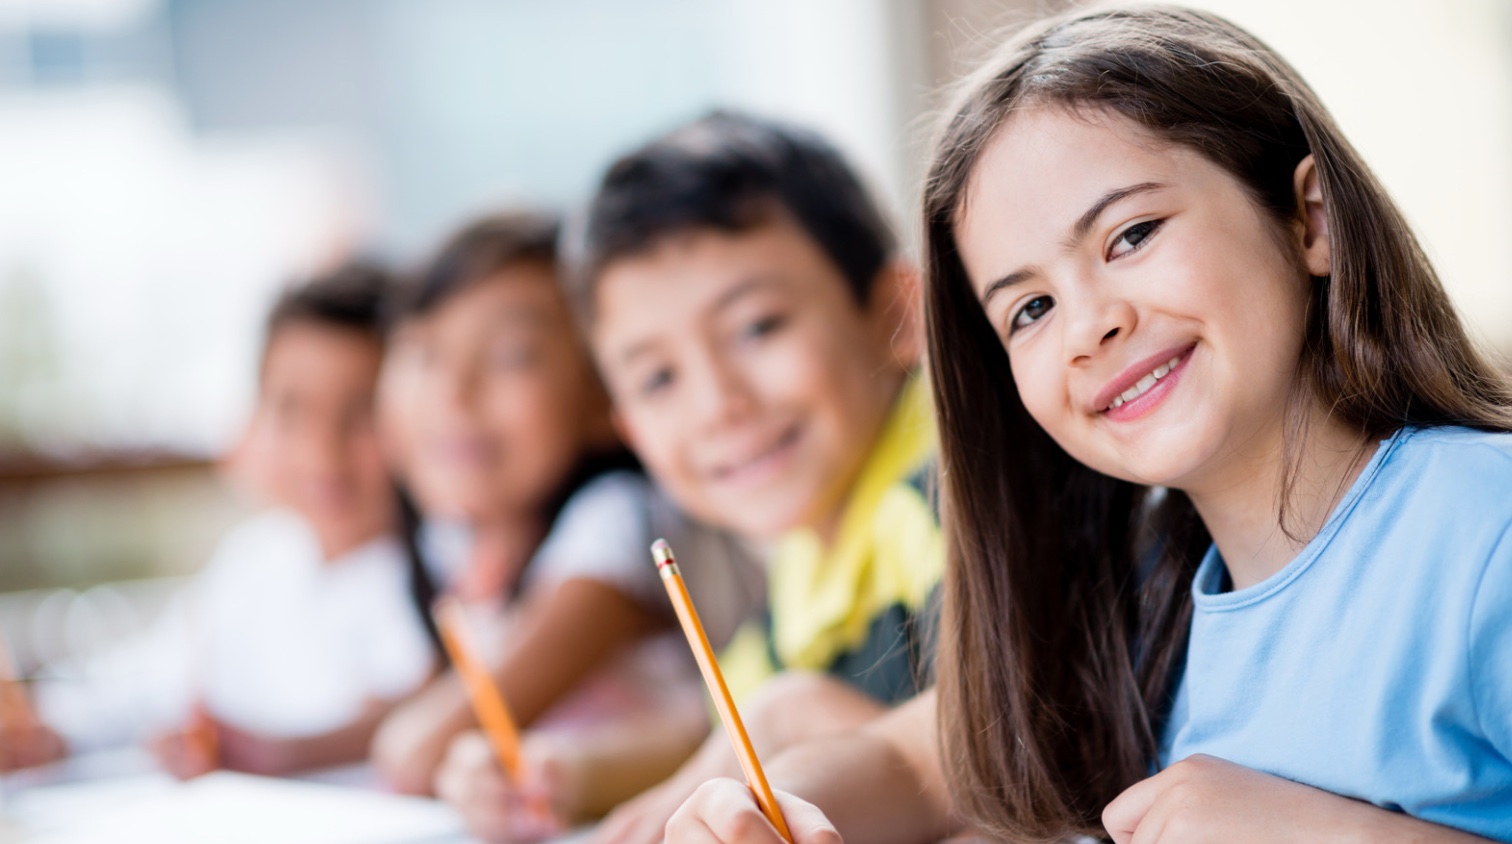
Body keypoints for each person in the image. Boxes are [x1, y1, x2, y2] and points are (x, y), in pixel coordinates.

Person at [667, 6, 1512, 843]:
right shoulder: (1135, 597)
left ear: (1311, 219)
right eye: (1031, 307)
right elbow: (915, 767)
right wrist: (759, 808)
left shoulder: (1484, 527)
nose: (1087, 327)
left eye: (1132, 235)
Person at [434, 112, 944, 843]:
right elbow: (710, 731)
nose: (717, 406)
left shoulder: (955, 485)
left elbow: (1007, 745)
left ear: (896, 312)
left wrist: (788, 716)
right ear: (630, 427)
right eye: (659, 377)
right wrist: (563, 772)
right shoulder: (804, 557)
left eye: (758, 328)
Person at [370, 210, 761, 812]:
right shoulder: (459, 548)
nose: (453, 390)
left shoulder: (618, 524)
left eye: (510, 355)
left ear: (606, 392)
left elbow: (421, 748)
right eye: (424, 354)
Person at [1, 264, 438, 778]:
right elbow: (150, 681)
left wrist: (266, 753)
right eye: (291, 409)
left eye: (361, 411)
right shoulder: (256, 559)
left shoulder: (441, 571)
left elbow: (416, 717)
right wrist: (49, 727)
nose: (323, 451)